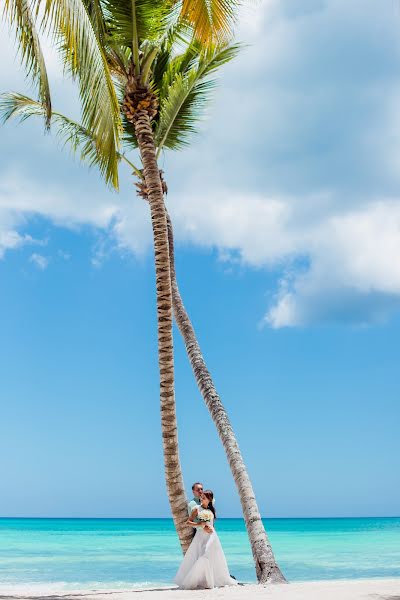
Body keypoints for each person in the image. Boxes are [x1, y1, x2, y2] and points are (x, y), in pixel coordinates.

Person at [174, 490, 237, 590]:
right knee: (202, 555)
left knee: (209, 555)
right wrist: (201, 525)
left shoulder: (212, 510)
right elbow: (188, 522)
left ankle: (210, 581)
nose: (202, 498)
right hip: (200, 536)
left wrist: (210, 529)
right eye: (201, 497)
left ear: (210, 499)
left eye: (204, 497)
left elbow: (212, 524)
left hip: (212, 536)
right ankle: (200, 580)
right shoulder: (196, 509)